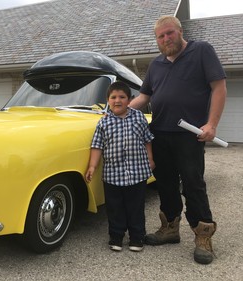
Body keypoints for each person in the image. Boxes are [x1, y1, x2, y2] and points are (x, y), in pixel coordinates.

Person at [129, 15, 227, 264]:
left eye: (169, 33)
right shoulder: (156, 65)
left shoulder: (201, 50)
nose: (165, 39)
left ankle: (203, 235)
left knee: (193, 184)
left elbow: (219, 87)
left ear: (180, 31)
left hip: (190, 134)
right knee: (165, 183)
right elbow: (144, 97)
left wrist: (211, 124)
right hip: (160, 132)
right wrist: (123, 110)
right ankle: (170, 229)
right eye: (160, 36)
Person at [85, 81, 155, 252]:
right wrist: (92, 166)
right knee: (115, 208)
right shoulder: (103, 123)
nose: (118, 100)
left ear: (130, 100)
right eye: (113, 97)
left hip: (137, 173)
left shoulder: (139, 117)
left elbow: (147, 140)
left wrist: (150, 159)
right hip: (112, 176)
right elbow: (97, 146)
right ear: (108, 101)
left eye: (122, 97)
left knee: (136, 207)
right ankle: (116, 236)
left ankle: (137, 237)